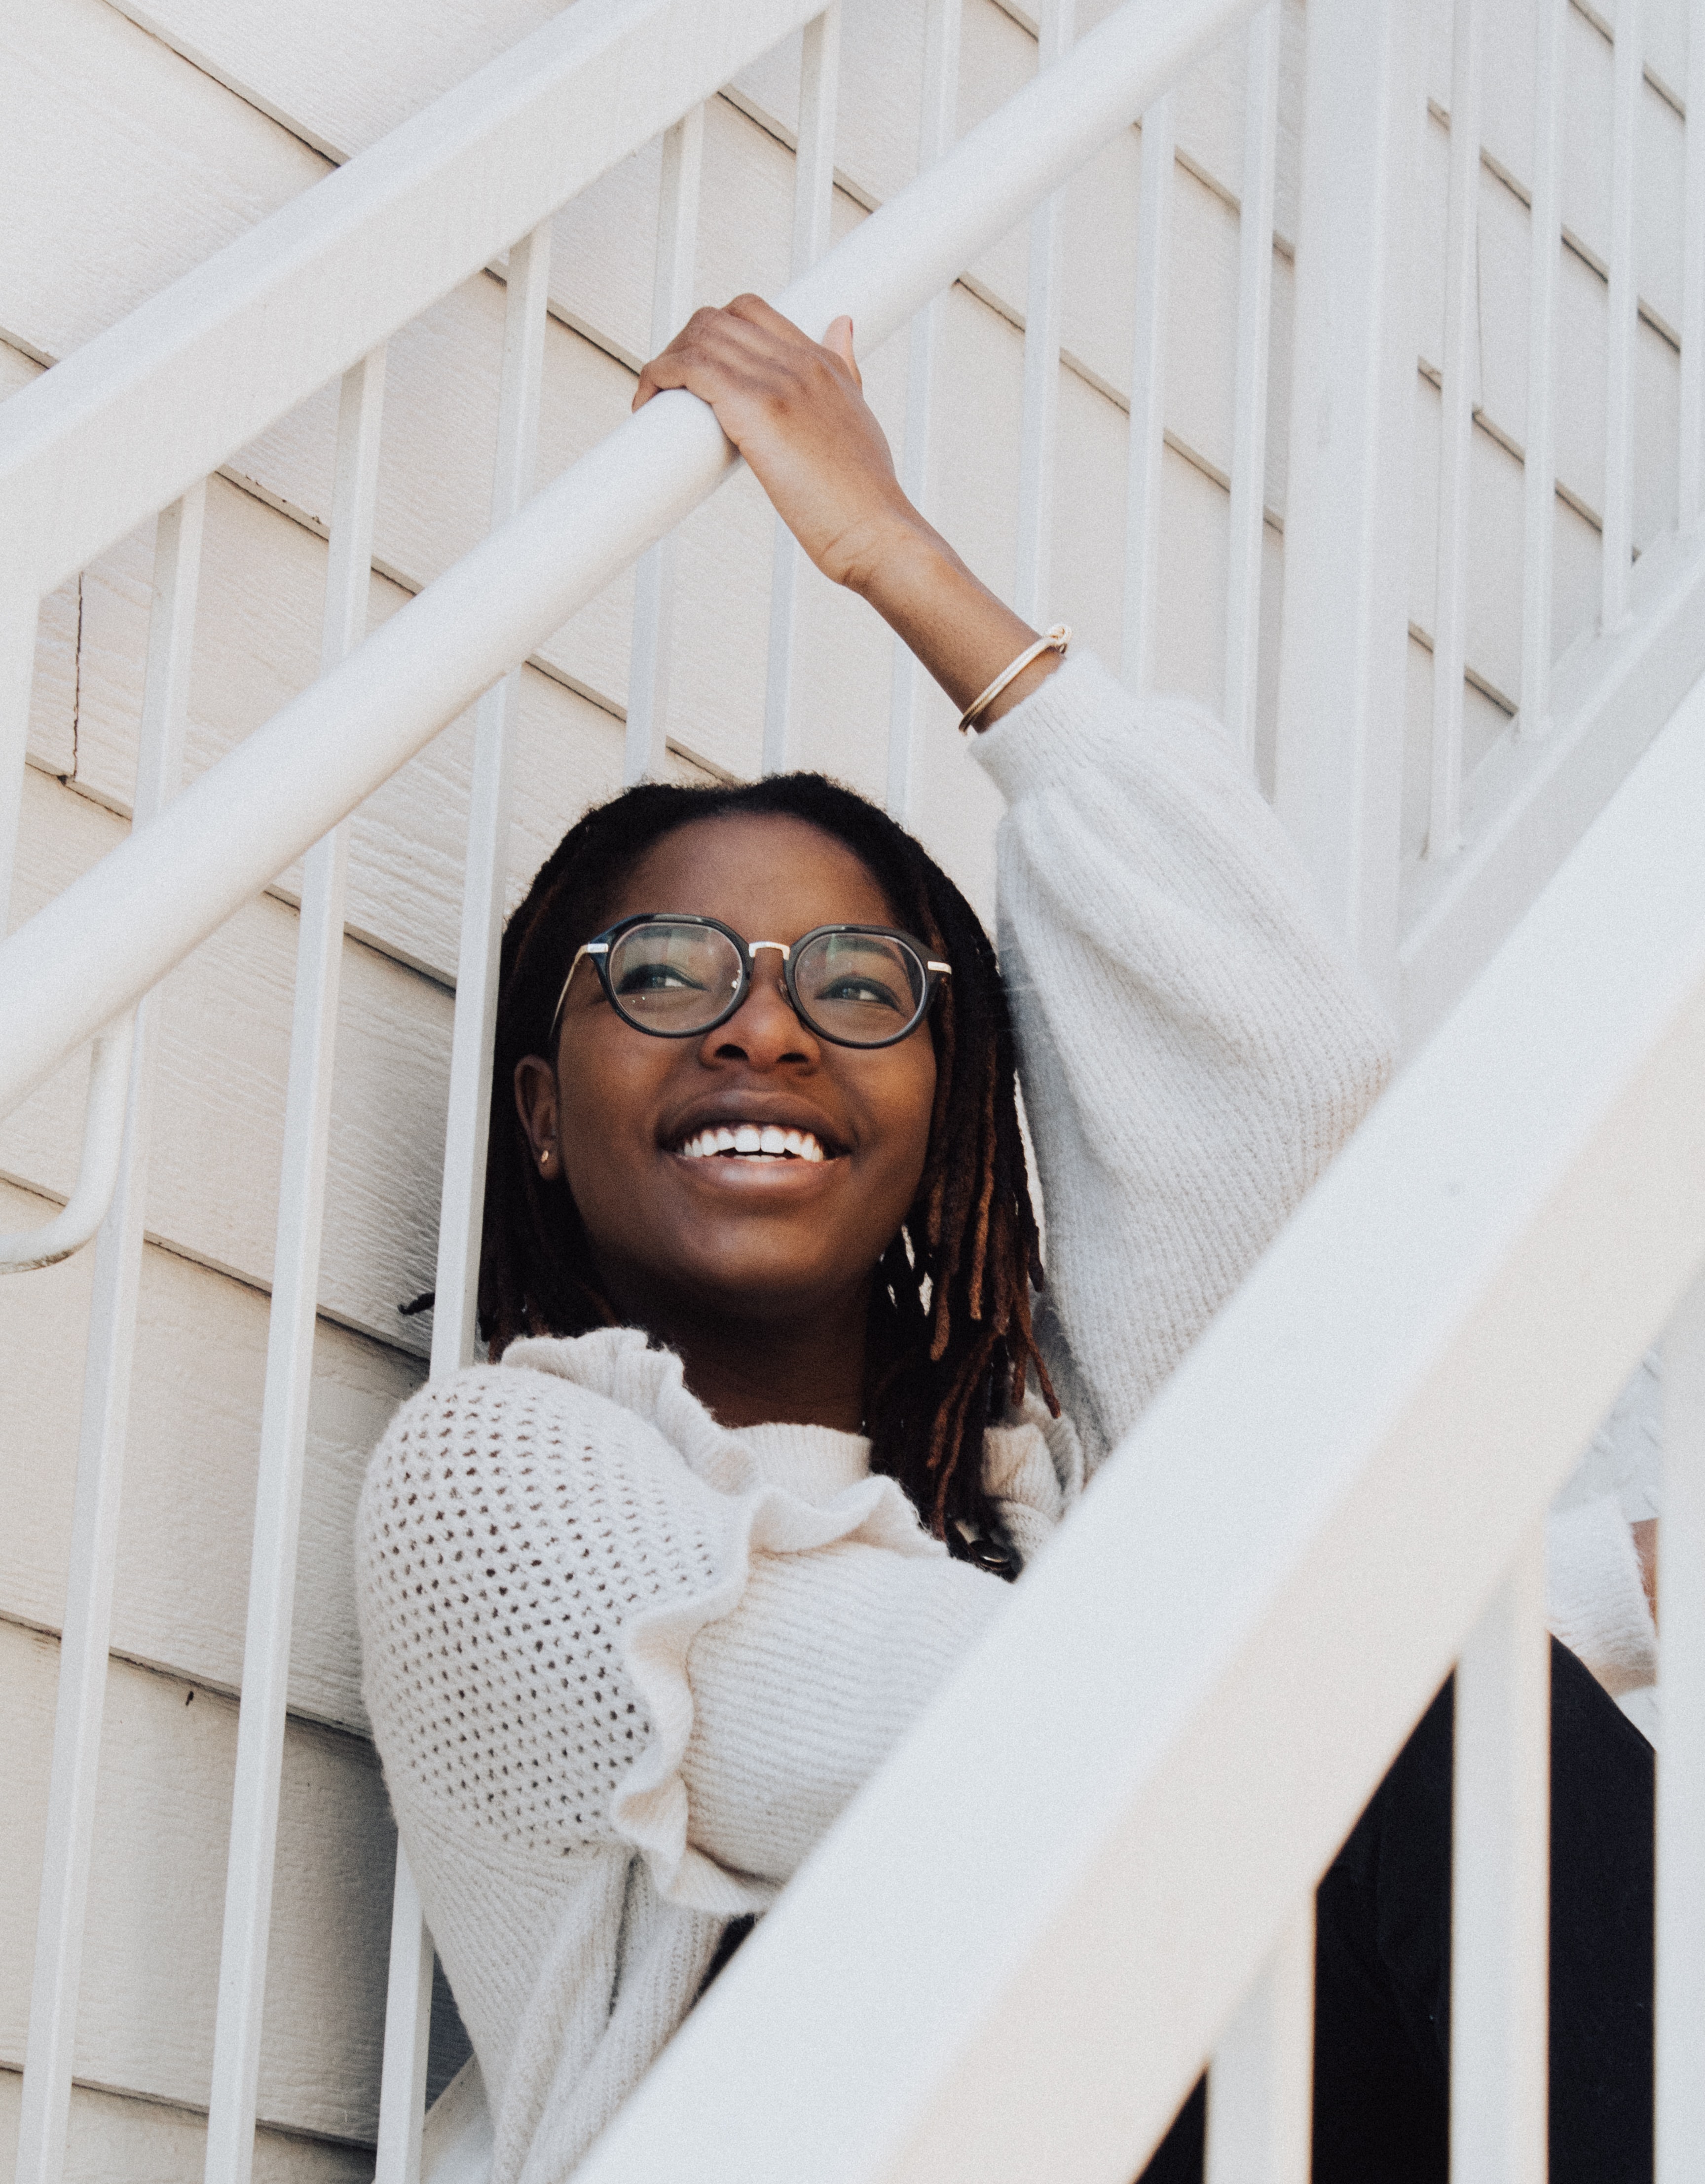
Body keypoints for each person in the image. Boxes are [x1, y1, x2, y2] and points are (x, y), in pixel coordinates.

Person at [356, 299, 1656, 2183]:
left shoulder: (1043, 1502)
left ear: (953, 1106)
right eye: (664, 973)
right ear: (543, 1114)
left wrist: (914, 572)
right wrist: (1510, 1600)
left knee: (1404, 1657)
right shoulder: (497, 1479)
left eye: (859, 985)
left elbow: (1277, 1119)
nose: (764, 1025)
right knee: (1382, 1658)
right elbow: (1000, 1729)